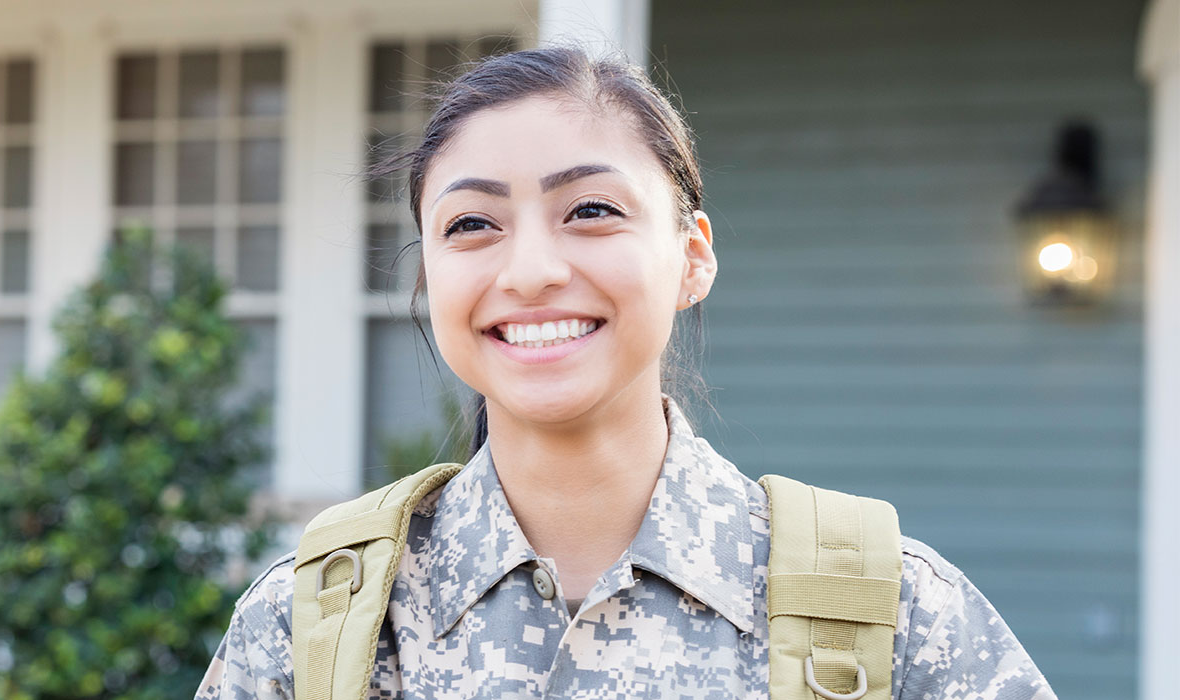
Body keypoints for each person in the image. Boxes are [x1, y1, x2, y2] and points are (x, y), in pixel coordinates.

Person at [195, 46, 1055, 699]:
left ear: (692, 257)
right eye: (470, 225)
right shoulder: (314, 626)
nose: (529, 270)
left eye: (591, 211)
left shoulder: (891, 613)